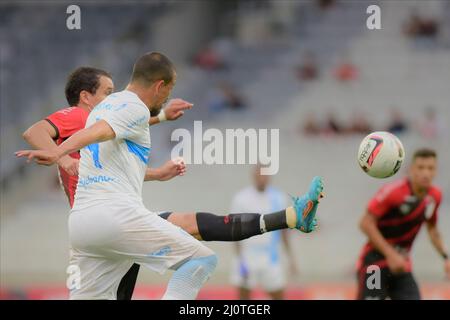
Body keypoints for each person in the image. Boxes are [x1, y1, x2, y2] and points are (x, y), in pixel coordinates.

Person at [17, 52, 325, 300]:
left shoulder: (105, 110)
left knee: (191, 223)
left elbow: (115, 139)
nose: (111, 94)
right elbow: (104, 128)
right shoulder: (109, 110)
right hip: (116, 217)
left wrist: (160, 132)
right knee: (201, 260)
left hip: (84, 227)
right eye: (106, 90)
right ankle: (291, 216)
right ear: (159, 85)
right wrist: (60, 154)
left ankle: (289, 216)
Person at [357, 148, 450, 300]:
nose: (426, 173)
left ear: (436, 171)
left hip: (401, 265)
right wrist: (391, 255)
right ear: (411, 169)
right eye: (421, 167)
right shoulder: (394, 192)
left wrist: (446, 257)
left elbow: (432, 228)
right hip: (374, 263)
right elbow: (365, 223)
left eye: (430, 168)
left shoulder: (435, 196)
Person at [230, 165, 298, 300]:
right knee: (244, 296)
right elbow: (234, 230)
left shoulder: (279, 197)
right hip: (248, 255)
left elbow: (284, 231)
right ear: (253, 175)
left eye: (265, 174)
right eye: (259, 174)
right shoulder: (241, 198)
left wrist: (291, 259)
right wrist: (239, 258)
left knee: (278, 294)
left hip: (271, 256)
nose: (262, 177)